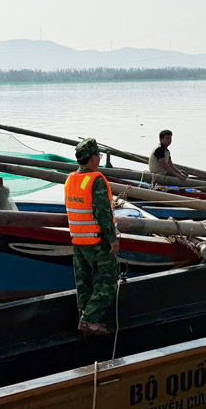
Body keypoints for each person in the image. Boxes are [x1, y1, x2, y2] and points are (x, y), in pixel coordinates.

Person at [65, 138, 121, 335]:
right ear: (92, 159)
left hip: (78, 242)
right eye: (98, 155)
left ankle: (84, 318)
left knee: (84, 284)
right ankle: (89, 320)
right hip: (97, 242)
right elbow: (103, 213)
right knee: (108, 284)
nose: (99, 158)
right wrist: (113, 239)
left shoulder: (71, 179)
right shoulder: (95, 180)